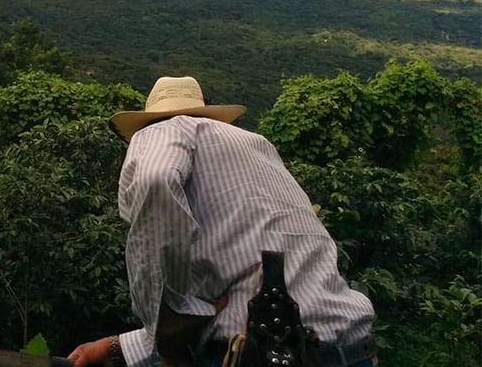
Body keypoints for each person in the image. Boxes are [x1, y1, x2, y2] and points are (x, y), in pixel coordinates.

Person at [68, 76, 378, 367]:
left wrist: (164, 328)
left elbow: (155, 179)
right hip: (354, 349)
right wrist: (116, 347)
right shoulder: (258, 145)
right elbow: (230, 296)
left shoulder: (160, 129)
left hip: (258, 353)